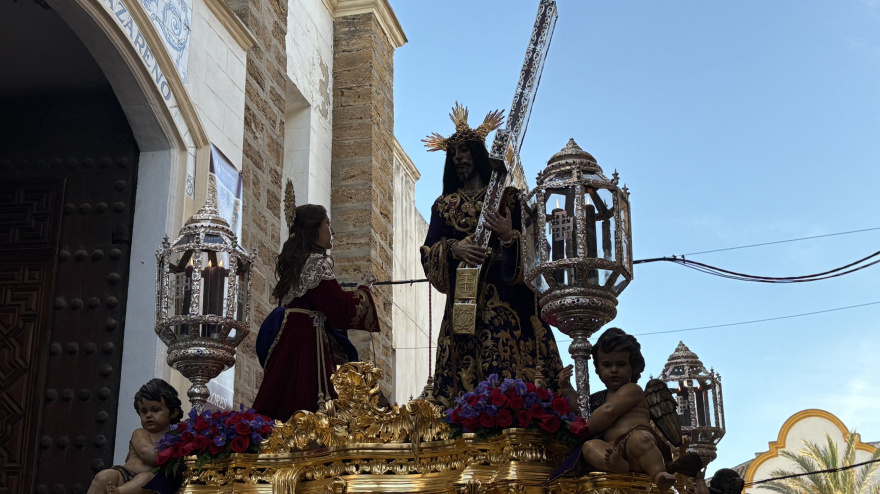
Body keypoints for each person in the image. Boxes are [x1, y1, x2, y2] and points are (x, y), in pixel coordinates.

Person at [420, 103, 564, 407]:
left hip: (509, 297)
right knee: (463, 380)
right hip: (464, 303)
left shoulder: (509, 199)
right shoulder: (444, 206)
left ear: (478, 154)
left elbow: (539, 252)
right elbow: (429, 251)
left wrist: (509, 237)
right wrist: (453, 248)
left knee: (512, 372)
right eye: (453, 152)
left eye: (464, 150)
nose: (458, 157)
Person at [252, 198, 380, 422]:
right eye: (327, 224)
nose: (332, 231)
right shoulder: (316, 264)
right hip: (306, 341)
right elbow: (338, 308)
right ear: (314, 230)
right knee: (310, 400)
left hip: (291, 337)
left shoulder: (297, 265)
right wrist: (364, 289)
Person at [575, 328, 678, 491]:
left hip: (634, 445)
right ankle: (617, 466)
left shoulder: (632, 389)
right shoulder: (598, 397)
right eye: (607, 365)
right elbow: (580, 406)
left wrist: (585, 429)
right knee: (589, 447)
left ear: (634, 368)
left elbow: (609, 411)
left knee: (641, 440)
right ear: (598, 370)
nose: (614, 370)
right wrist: (566, 388)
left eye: (621, 364)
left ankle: (659, 474)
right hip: (613, 452)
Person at [87, 379, 182, 494]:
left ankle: (119, 492)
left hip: (149, 484)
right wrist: (175, 456)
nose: (149, 415)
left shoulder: (177, 437)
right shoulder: (140, 433)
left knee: (147, 479)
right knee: (103, 476)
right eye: (144, 411)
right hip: (125, 476)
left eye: (155, 410)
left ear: (173, 413)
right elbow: (145, 451)